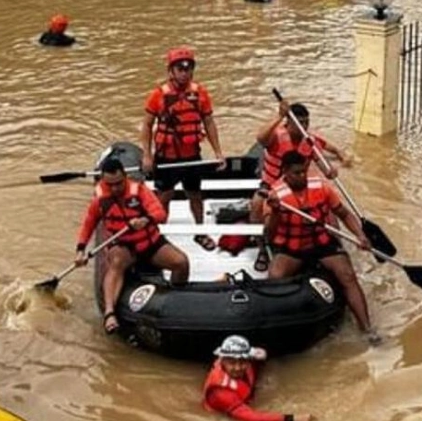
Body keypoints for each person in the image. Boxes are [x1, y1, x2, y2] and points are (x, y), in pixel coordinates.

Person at [263, 151, 379, 344]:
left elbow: (344, 214)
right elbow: (270, 233)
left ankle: (367, 329)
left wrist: (360, 235)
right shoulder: (275, 195)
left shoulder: (322, 188)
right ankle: (276, 329)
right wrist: (275, 210)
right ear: (285, 172)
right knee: (275, 277)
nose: (302, 177)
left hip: (321, 243)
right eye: (296, 173)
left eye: (303, 172)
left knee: (348, 275)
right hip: (292, 248)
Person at [74, 157, 189, 334]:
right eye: (109, 184)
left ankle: (176, 299)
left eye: (118, 184)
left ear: (125, 177)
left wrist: (145, 219)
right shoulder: (100, 199)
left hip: (149, 243)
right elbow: (88, 224)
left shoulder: (139, 191)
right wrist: (80, 250)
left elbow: (159, 213)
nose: (114, 189)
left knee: (181, 262)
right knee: (116, 263)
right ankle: (109, 313)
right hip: (123, 246)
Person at [141, 47, 226, 251]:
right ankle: (159, 236)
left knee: (195, 195)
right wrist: (147, 155)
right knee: (164, 198)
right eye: (180, 68)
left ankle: (200, 232)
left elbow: (209, 123)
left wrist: (218, 152)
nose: (184, 72)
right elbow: (146, 125)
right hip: (167, 156)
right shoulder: (158, 95)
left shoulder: (200, 93)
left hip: (191, 156)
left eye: (188, 68)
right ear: (171, 71)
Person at [250, 101, 351, 272]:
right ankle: (262, 248)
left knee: (328, 206)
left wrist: (330, 169)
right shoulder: (275, 137)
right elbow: (260, 138)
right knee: (256, 204)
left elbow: (322, 155)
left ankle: (335, 244)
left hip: (298, 185)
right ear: (288, 123)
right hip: (272, 185)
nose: (304, 126)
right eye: (299, 123)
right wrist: (280, 115)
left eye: (306, 122)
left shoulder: (309, 140)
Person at [203, 335, 313, 421]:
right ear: (223, 361)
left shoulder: (251, 361)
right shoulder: (220, 392)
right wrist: (292, 419)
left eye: (242, 362)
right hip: (229, 414)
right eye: (232, 363)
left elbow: (260, 355)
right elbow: (251, 418)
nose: (237, 368)